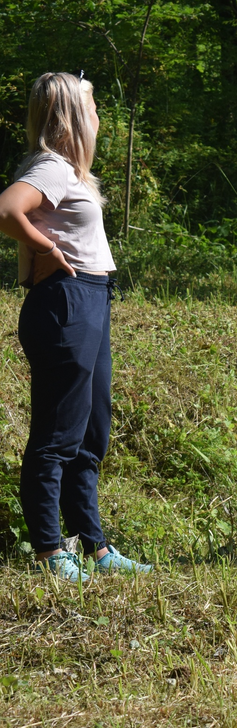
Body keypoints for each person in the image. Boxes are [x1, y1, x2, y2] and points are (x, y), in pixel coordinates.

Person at [0, 72, 152, 582]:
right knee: (57, 434)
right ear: (69, 117)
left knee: (91, 432)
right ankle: (48, 551)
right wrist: (45, 249)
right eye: (92, 107)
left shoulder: (71, 173)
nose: (99, 118)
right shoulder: (51, 167)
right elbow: (6, 209)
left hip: (90, 298)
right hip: (65, 301)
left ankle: (94, 547)